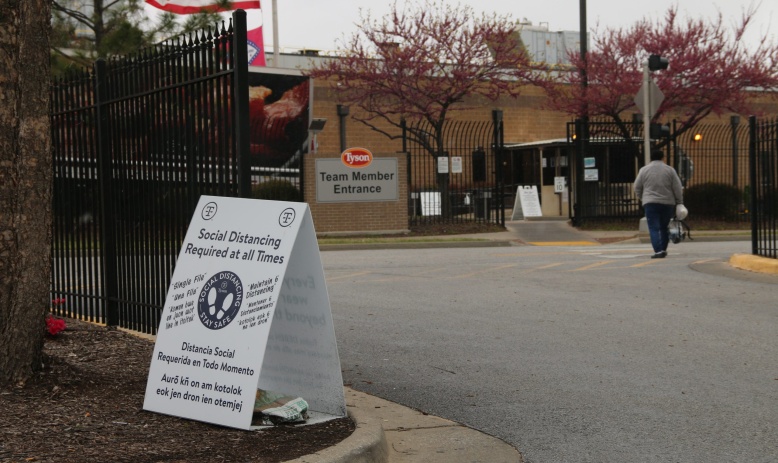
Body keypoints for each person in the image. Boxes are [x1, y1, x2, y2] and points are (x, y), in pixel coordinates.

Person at [634, 149, 684, 258]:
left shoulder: (643, 170)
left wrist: (643, 198)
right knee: (664, 227)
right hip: (667, 203)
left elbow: (637, 187)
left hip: (650, 203)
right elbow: (677, 187)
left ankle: (658, 251)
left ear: (651, 158)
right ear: (663, 158)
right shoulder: (670, 170)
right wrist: (679, 201)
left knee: (653, 228)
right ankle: (663, 249)